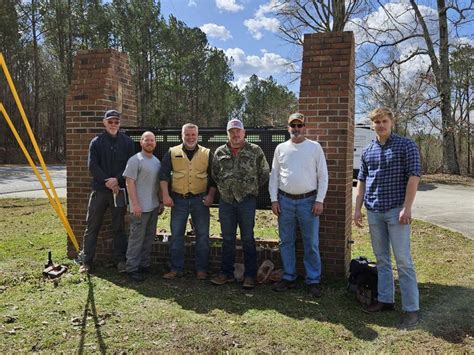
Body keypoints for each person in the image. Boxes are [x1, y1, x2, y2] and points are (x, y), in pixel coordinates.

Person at [353, 107, 421, 329]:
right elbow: (362, 180)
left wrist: (407, 207)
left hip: (396, 211)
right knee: (381, 259)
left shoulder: (406, 145)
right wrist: (357, 209)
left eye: (384, 121)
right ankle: (385, 300)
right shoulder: (368, 151)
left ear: (391, 122)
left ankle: (411, 309)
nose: (381, 125)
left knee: (403, 260)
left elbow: (414, 176)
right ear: (372, 125)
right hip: (374, 211)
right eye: (377, 122)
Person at [268, 112, 328, 298]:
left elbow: (323, 176)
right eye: (293, 126)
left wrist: (319, 200)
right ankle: (289, 277)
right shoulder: (281, 148)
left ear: (305, 127)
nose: (296, 129)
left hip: (308, 202)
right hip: (285, 201)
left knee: (311, 243)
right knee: (286, 241)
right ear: (288, 128)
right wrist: (274, 199)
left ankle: (313, 280)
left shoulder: (314, 147)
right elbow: (274, 176)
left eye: (299, 125)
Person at [210, 119, 270, 289]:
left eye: (238, 131)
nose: (235, 134)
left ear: (244, 133)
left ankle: (250, 275)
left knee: (248, 238)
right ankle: (225, 273)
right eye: (231, 132)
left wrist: (250, 187)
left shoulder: (255, 150)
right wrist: (226, 188)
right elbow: (215, 174)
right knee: (227, 238)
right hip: (226, 201)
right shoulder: (220, 151)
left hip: (246, 201)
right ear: (227, 133)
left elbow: (264, 173)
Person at [79, 109, 135, 273]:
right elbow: (92, 166)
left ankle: (120, 261)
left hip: (119, 192)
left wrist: (117, 180)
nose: (113, 124)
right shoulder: (96, 142)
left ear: (119, 123)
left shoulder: (127, 142)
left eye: (116, 122)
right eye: (110, 121)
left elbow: (130, 166)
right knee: (92, 226)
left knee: (118, 227)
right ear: (104, 123)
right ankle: (87, 262)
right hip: (100, 191)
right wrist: (109, 182)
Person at [159, 123, 216, 280]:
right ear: (181, 135)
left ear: (197, 136)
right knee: (176, 235)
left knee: (203, 236)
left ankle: (201, 270)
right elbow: (163, 175)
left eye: (193, 135)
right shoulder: (172, 152)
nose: (190, 137)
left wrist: (210, 196)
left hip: (200, 200)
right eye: (187, 134)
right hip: (178, 200)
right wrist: (165, 196)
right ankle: (176, 269)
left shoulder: (207, 153)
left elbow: (214, 178)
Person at [123, 131, 164, 282]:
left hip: (153, 207)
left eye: (152, 140)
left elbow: (157, 185)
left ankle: (144, 265)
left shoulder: (156, 162)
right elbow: (129, 182)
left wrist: (160, 202)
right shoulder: (135, 160)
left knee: (148, 238)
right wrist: (135, 204)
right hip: (139, 209)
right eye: (146, 140)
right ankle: (131, 268)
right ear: (141, 142)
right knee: (136, 239)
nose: (149, 143)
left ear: (155, 143)